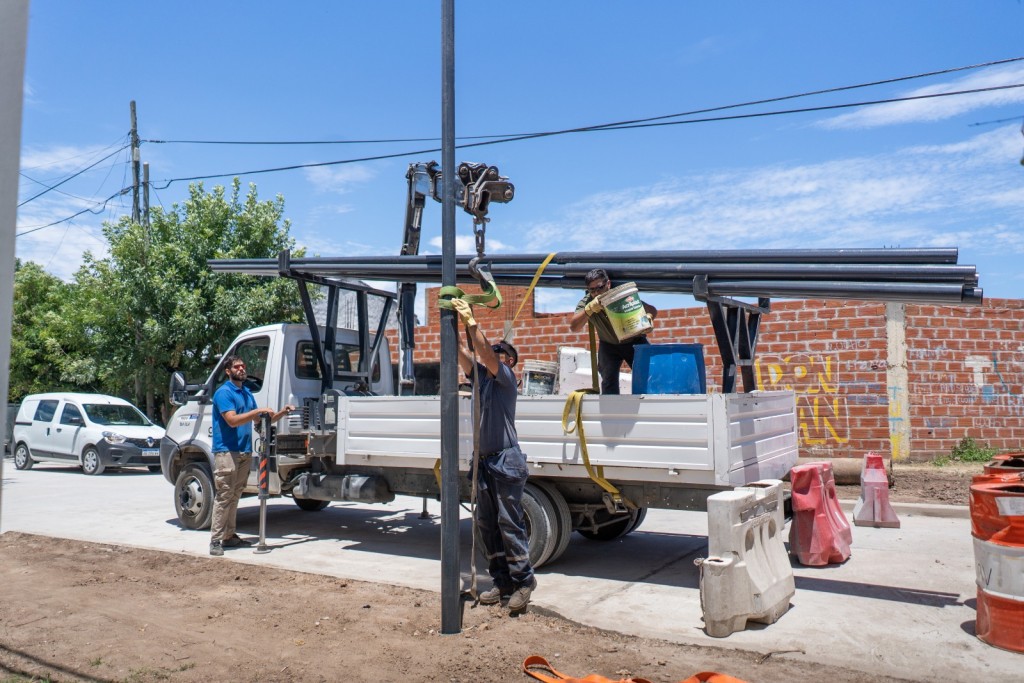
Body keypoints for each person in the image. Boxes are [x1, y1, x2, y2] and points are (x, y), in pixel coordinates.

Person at [450, 298, 537, 612]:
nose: (494, 356)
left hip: (505, 461)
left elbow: (484, 354)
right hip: (485, 463)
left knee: (509, 523)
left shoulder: (505, 381)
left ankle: (524, 583)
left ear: (509, 362)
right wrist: (452, 325)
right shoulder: (481, 383)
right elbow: (463, 354)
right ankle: (502, 584)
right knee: (488, 525)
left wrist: (472, 323)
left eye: (501, 354)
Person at [209, 355, 295, 557]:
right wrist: (257, 410)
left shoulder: (247, 394)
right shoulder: (224, 393)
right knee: (224, 495)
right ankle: (215, 540)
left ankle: (229, 536)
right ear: (228, 371)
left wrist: (282, 412)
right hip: (227, 451)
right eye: (236, 366)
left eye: (243, 365)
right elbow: (232, 420)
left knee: (235, 494)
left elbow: (261, 421)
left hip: (244, 451)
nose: (241, 369)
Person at [569, 268, 658, 394]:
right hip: (609, 345)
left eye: (599, 287)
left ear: (608, 284)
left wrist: (648, 317)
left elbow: (651, 309)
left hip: (634, 341)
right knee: (608, 382)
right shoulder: (587, 302)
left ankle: (650, 405)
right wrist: (588, 310)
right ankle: (610, 411)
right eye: (592, 290)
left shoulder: (620, 295)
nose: (596, 293)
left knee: (649, 375)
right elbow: (574, 327)